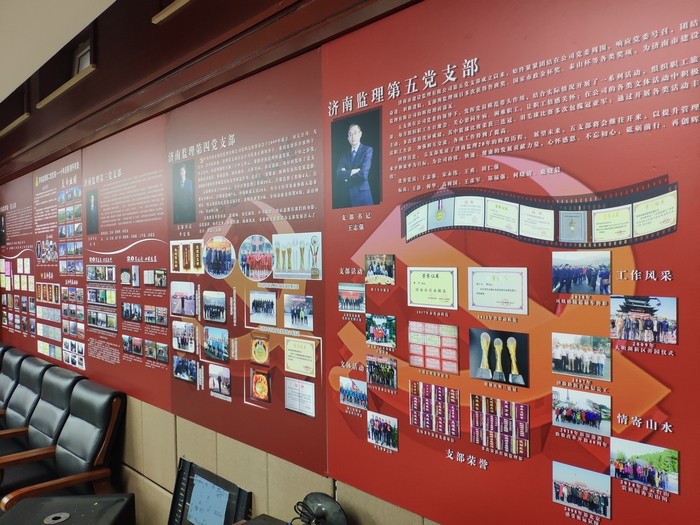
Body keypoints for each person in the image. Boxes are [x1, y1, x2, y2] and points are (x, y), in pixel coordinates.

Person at [336, 124, 374, 206]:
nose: (353, 136)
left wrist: (346, 177)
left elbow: (363, 174)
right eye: (350, 134)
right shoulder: (344, 155)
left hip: (362, 196)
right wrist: (353, 171)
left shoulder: (367, 150)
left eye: (355, 133)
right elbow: (338, 174)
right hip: (346, 197)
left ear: (360, 134)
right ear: (348, 138)